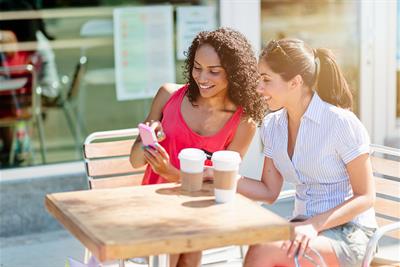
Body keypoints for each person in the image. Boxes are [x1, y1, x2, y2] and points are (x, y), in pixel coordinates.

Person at [130, 27, 266, 267]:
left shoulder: (244, 123)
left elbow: (223, 181)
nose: (202, 78)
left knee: (190, 253)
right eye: (197, 67)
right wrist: (149, 139)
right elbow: (135, 160)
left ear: (234, 74)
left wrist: (169, 171)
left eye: (214, 71)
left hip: (199, 210)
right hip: (155, 206)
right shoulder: (168, 96)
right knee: (173, 251)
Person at [237, 39, 377, 267]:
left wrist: (314, 225)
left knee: (263, 251)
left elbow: (365, 196)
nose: (258, 88)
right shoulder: (273, 125)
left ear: (295, 82)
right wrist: (218, 178)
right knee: (260, 244)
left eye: (266, 80)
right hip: (303, 225)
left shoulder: (340, 123)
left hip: (350, 233)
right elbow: (269, 190)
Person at [0, 0, 60, 166]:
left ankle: (11, 148)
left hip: (38, 94)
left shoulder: (25, 48)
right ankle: (12, 149)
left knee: (7, 103)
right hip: (26, 95)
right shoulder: (31, 41)